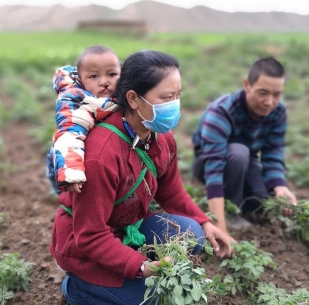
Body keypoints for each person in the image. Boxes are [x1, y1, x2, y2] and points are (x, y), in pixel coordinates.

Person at [50, 50, 234, 305]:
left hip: (126, 225)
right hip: (86, 245)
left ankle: (120, 268)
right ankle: (78, 288)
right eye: (166, 97)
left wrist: (205, 222)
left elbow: (170, 191)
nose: (175, 105)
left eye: (178, 96)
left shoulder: (161, 136)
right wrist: (142, 266)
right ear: (134, 99)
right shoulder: (102, 154)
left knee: (192, 234)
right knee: (153, 298)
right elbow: (91, 235)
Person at [191, 57, 297, 233]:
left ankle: (239, 198)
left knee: (263, 202)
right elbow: (214, 169)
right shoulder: (221, 112)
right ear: (247, 85)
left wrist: (280, 186)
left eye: (276, 95)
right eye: (263, 93)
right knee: (239, 152)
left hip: (246, 162)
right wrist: (220, 226)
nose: (269, 102)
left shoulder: (277, 112)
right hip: (207, 163)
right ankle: (230, 212)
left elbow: (273, 153)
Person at [46, 45, 121, 194]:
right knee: (75, 198)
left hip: (98, 156)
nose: (104, 82)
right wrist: (71, 172)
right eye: (94, 76)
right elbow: (69, 136)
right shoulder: (76, 101)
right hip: (65, 162)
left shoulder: (122, 95)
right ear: (80, 80)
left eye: (112, 74)